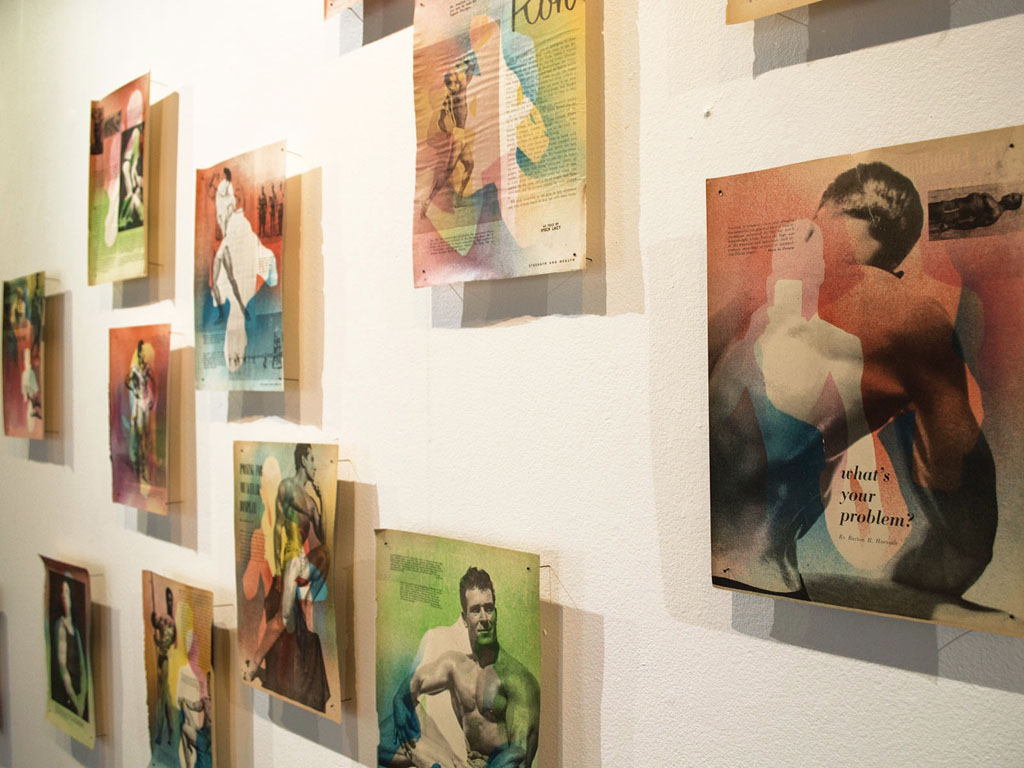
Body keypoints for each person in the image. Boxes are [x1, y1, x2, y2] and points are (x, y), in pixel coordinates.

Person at [709, 162, 998, 605]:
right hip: (761, 575)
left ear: (819, 214)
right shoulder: (910, 317)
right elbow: (967, 537)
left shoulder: (750, 290)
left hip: (697, 567)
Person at [381, 567, 540, 768]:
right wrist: (399, 701)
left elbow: (520, 755)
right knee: (384, 732)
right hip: (463, 764)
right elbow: (415, 683)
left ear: (496, 613)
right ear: (465, 619)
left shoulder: (518, 680)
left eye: (489, 608)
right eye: (475, 610)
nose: (484, 618)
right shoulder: (455, 665)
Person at [243, 444, 331, 712]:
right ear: (303, 459)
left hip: (298, 564)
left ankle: (256, 665)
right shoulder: (287, 488)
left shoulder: (310, 502)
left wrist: (320, 500)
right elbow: (282, 526)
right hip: (288, 562)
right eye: (313, 460)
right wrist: (279, 571)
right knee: (282, 619)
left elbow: (323, 535)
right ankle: (255, 664)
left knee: (325, 554)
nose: (316, 466)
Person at [420, 60, 476, 218]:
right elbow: (441, 120)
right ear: (448, 85)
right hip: (458, 136)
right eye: (451, 83)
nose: (455, 85)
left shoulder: (451, 96)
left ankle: (458, 199)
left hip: (460, 135)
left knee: (469, 165)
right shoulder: (456, 95)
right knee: (447, 172)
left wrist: (447, 130)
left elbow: (440, 121)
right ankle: (427, 202)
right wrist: (468, 65)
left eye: (455, 82)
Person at [53, 577, 88, 719]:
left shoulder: (76, 630)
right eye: (61, 592)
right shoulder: (60, 626)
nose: (63, 596)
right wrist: (75, 700)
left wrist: (82, 698)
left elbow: (83, 668)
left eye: (66, 592)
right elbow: (62, 668)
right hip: (69, 698)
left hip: (79, 697)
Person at [125, 340, 156, 483]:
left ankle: (142, 471)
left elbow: (147, 394)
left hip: (143, 411)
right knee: (138, 440)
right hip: (139, 412)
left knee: (143, 440)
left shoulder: (142, 375)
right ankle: (139, 470)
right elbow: (138, 394)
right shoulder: (136, 374)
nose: (151, 366)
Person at [151, 586, 177, 746]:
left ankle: (163, 733)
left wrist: (157, 641)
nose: (169, 602)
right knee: (165, 700)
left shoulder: (171, 622)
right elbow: (157, 624)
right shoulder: (165, 619)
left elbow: (167, 641)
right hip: (161, 661)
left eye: (170, 599)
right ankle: (168, 732)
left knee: (163, 700)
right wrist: (153, 619)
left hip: (167, 662)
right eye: (167, 599)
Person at [929, 190, 1022, 234]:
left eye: (1012, 197)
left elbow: (972, 224)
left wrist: (950, 226)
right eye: (1011, 194)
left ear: (1012, 206)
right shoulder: (992, 200)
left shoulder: (995, 213)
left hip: (948, 213)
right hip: (948, 205)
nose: (1008, 195)